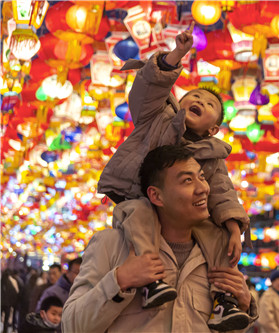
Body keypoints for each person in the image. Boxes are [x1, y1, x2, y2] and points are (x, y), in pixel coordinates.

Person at [96, 21, 250, 330]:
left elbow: (222, 190)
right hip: (140, 196)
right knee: (138, 215)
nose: (199, 102)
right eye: (193, 96)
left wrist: (234, 226)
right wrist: (177, 54)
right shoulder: (156, 117)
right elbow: (147, 88)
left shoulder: (212, 153)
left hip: (180, 217)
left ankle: (224, 301)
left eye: (209, 105)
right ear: (178, 101)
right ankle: (151, 280)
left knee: (218, 235)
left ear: (213, 129)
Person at [62, 145, 258, 332]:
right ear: (156, 196)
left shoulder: (217, 257)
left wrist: (242, 304)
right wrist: (120, 280)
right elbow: (71, 326)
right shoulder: (112, 244)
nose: (203, 189)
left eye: (202, 177)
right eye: (187, 181)